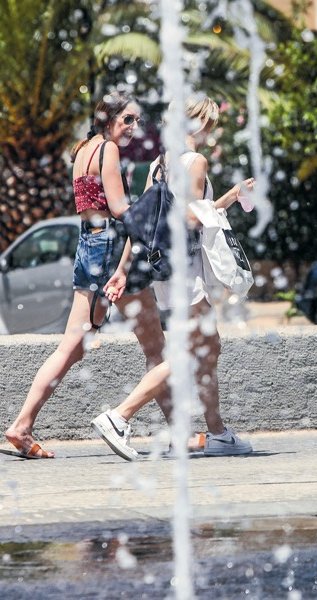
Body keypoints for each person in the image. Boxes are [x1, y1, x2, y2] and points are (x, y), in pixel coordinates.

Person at [4, 92, 172, 458]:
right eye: (127, 119)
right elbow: (118, 209)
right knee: (156, 348)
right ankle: (172, 431)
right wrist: (155, 196)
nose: (133, 127)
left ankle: (21, 425)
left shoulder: (84, 149)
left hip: (89, 247)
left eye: (137, 121)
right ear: (107, 119)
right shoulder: (107, 150)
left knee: (73, 345)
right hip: (112, 251)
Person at [92, 94, 253, 460]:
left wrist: (122, 270)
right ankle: (119, 417)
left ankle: (218, 433)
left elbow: (143, 223)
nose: (211, 131)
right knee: (187, 352)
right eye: (209, 123)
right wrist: (230, 196)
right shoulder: (194, 161)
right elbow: (192, 219)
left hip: (164, 271)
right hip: (186, 270)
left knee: (209, 349)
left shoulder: (158, 165)